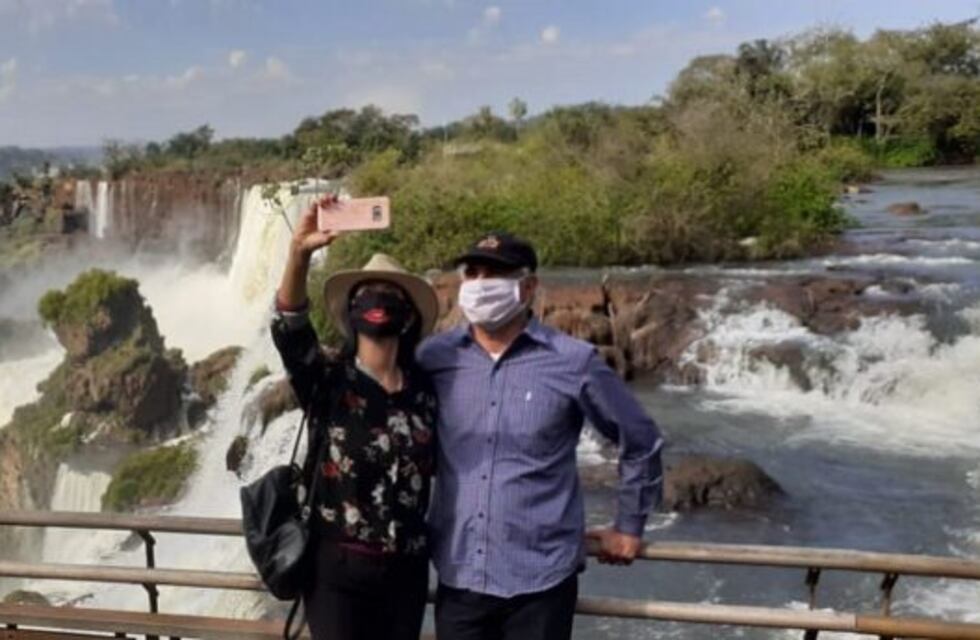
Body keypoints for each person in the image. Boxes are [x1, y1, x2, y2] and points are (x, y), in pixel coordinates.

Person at [417, 232, 665, 640]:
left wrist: (629, 524)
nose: (479, 284)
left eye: (494, 274)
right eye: (472, 273)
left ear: (528, 286)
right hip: (460, 573)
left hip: (540, 581)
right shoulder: (436, 358)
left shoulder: (572, 361)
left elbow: (640, 438)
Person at [272, 195, 439, 640]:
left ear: (407, 319)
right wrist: (300, 252)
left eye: (390, 295)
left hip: (406, 570)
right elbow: (290, 324)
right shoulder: (327, 381)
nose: (376, 301)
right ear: (351, 313)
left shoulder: (427, 393)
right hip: (336, 569)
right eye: (365, 293)